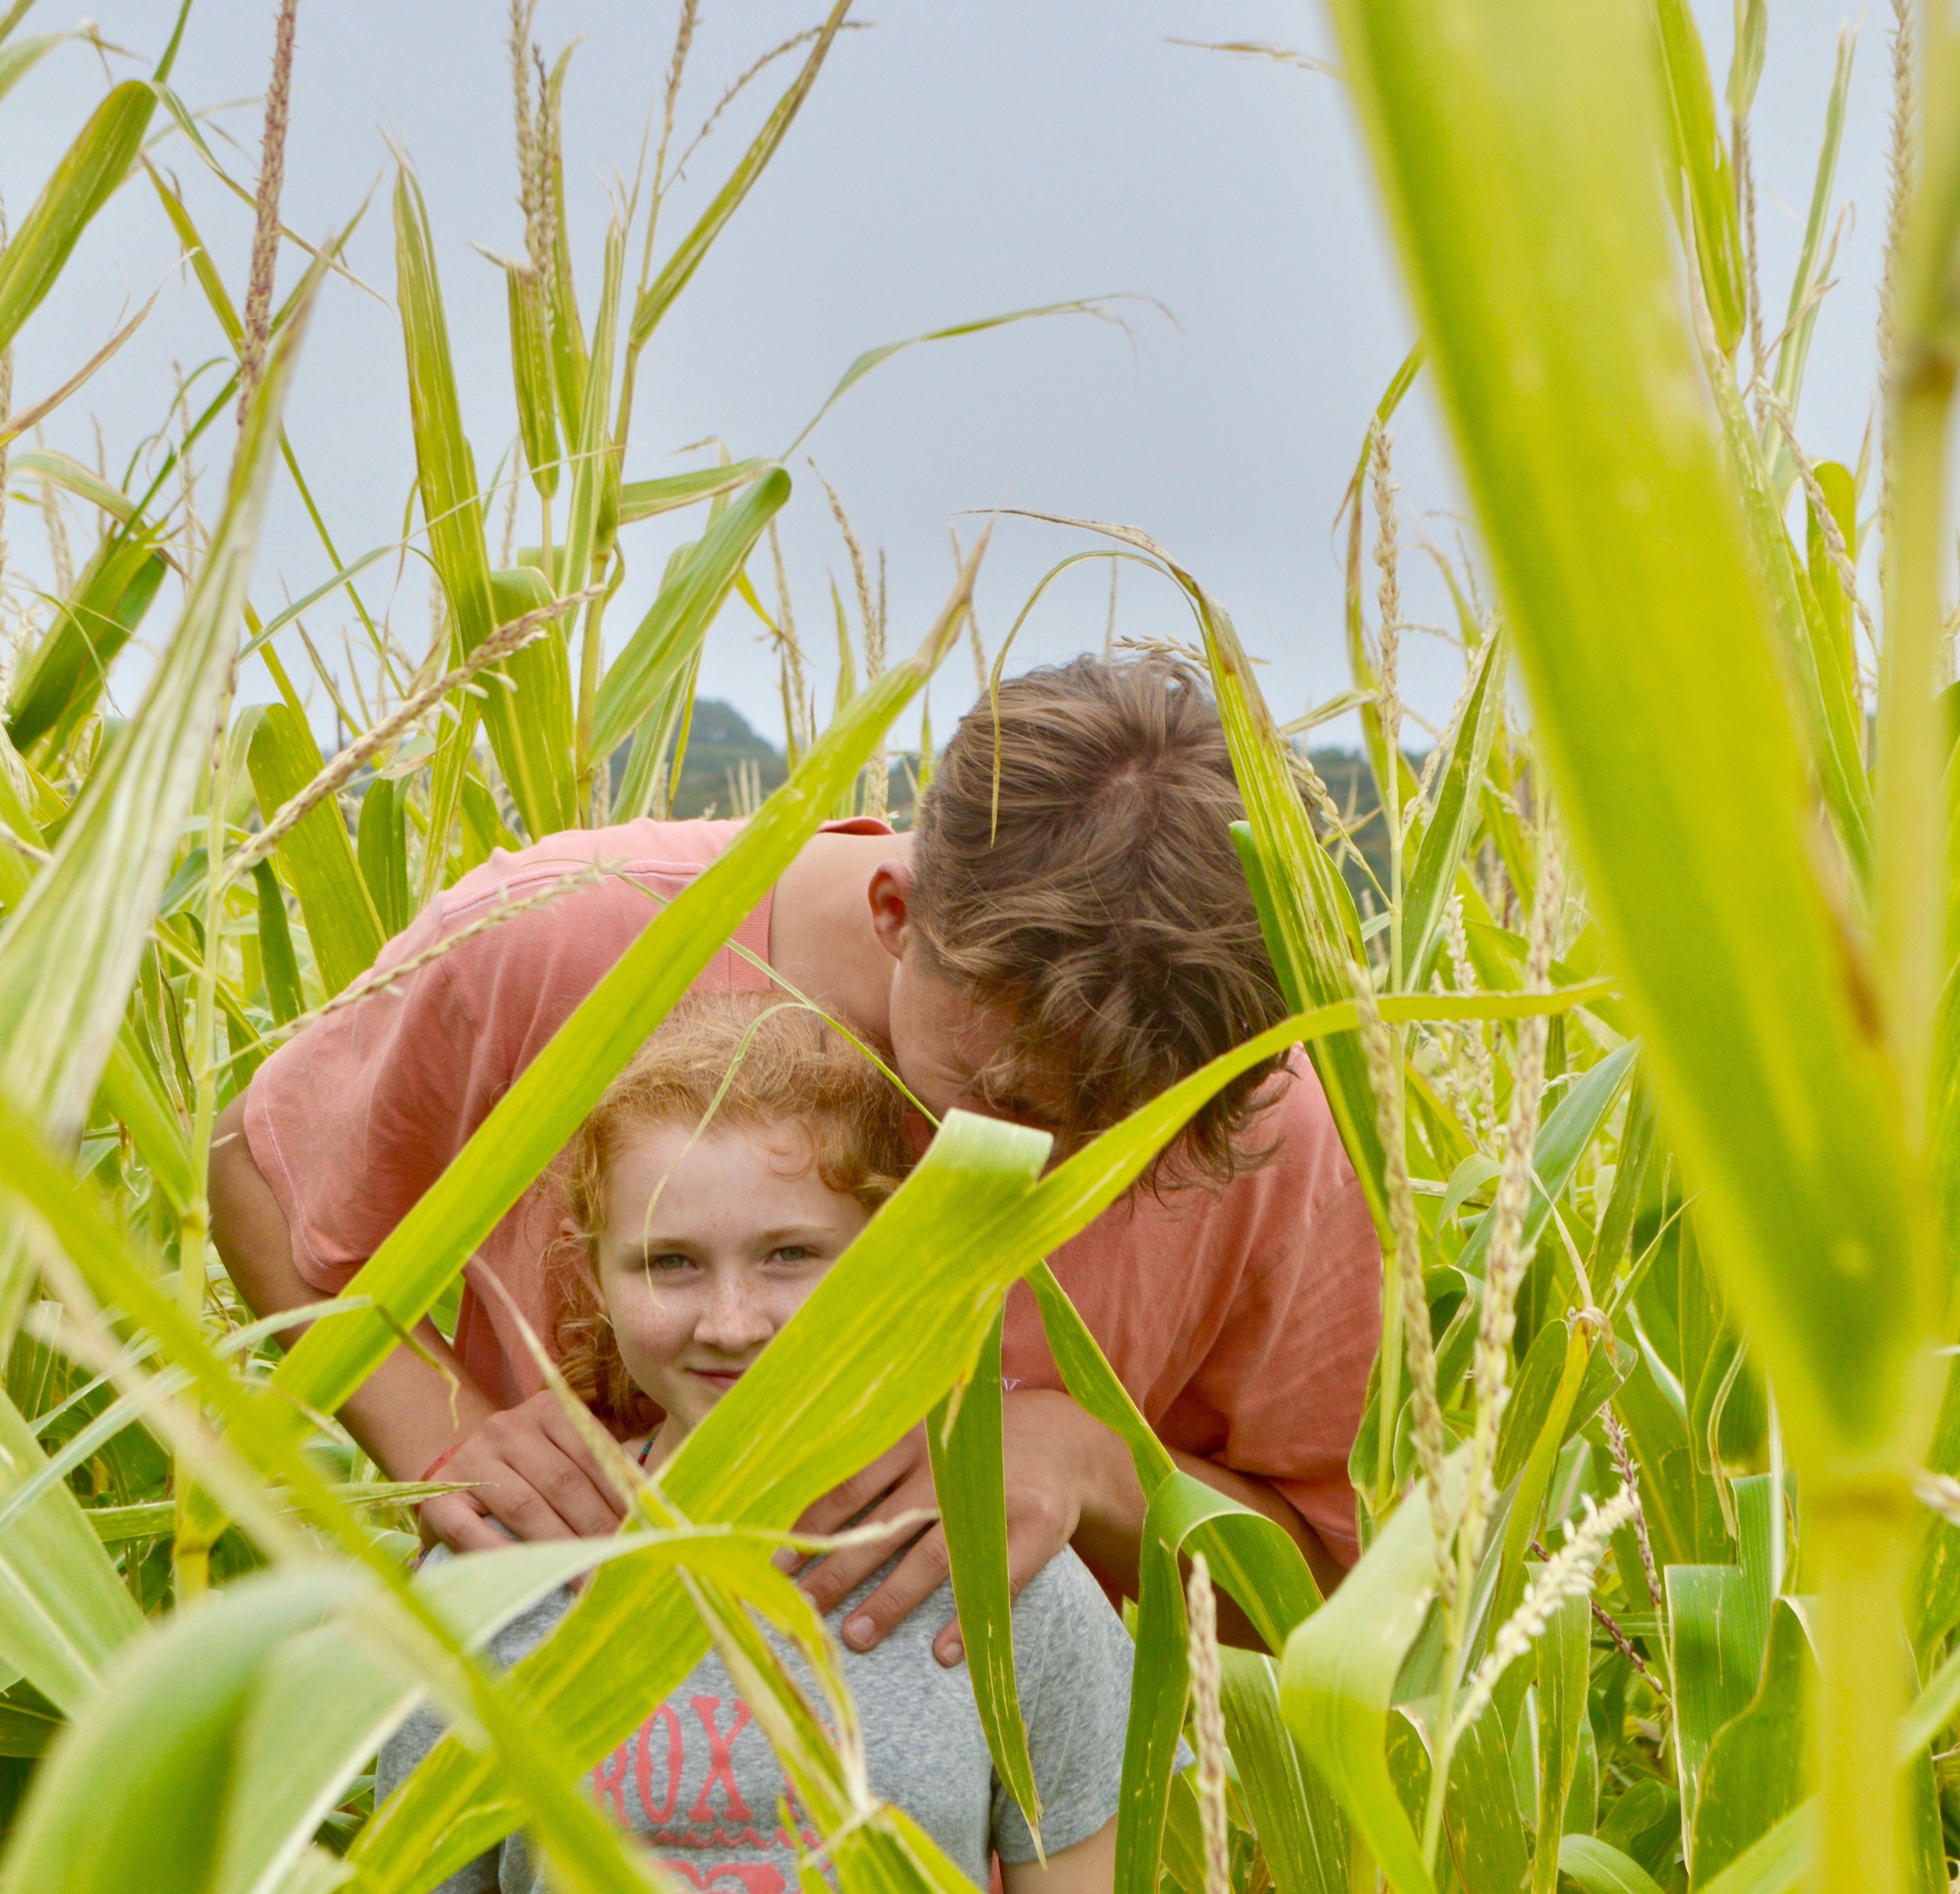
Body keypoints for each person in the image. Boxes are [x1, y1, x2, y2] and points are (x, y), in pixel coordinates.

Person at [210, 651, 1381, 1659]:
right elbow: (264, 1172)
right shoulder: (568, 937)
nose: (1047, 1174)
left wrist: (1093, 1466)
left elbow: (1326, 1579)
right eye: (999, 1103)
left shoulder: (1252, 1106)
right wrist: (447, 1436)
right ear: (895, 910)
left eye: (1124, 1145)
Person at [375, 997, 1128, 1894]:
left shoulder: (1006, 1580)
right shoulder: (492, 1587)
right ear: (595, 1273)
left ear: (884, 1258)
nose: (732, 1324)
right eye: (671, 1262)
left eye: (790, 1256)